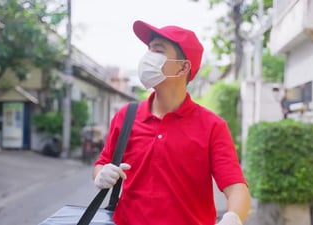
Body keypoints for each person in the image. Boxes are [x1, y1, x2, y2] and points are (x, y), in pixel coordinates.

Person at [93, 20, 251, 225]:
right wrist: (101, 174)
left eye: (158, 50)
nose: (148, 57)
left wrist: (233, 218)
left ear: (183, 67)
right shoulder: (126, 116)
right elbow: (103, 162)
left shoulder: (212, 126)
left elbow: (236, 187)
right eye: (149, 49)